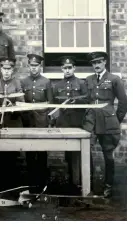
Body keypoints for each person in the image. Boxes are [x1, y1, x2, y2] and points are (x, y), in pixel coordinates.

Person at [82, 51, 127, 198]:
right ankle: (89, 185)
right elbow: (86, 100)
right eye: (94, 63)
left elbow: (123, 102)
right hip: (91, 122)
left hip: (107, 123)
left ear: (105, 63)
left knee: (108, 155)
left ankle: (108, 186)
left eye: (99, 62)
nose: (96, 65)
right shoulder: (88, 80)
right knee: (86, 153)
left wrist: (115, 119)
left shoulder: (114, 79)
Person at [0, 57, 24, 192]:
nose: (6, 72)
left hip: (12, 124)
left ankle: (11, 188)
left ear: (12, 70)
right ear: (0, 69)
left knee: (11, 158)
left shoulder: (17, 84)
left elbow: (22, 104)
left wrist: (12, 105)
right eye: (4, 69)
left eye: (9, 69)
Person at [51, 56, 88, 189]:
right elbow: (54, 105)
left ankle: (83, 184)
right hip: (64, 124)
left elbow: (86, 101)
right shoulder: (57, 86)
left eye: (69, 68)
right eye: (65, 68)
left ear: (74, 68)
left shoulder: (81, 83)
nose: (67, 70)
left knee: (81, 155)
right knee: (69, 154)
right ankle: (72, 183)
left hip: (78, 123)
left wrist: (76, 101)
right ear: (62, 69)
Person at [20, 54, 53, 189]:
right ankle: (31, 183)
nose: (34, 68)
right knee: (29, 152)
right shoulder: (23, 82)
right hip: (28, 120)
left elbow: (50, 103)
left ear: (40, 66)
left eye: (36, 66)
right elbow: (21, 102)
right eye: (31, 66)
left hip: (41, 121)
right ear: (28, 66)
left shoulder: (46, 82)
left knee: (41, 152)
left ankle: (41, 183)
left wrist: (48, 120)